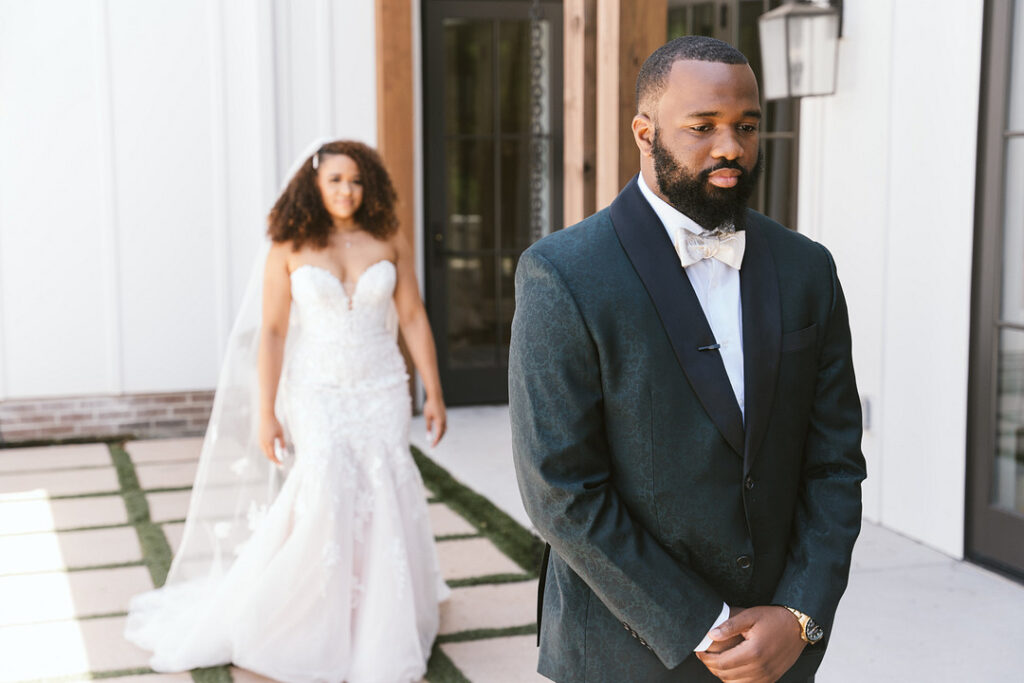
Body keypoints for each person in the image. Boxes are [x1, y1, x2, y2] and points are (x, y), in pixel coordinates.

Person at [509, 36, 866, 683]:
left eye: (747, 126)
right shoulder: (562, 274)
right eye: (703, 127)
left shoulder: (808, 269)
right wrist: (703, 627)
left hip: (779, 650)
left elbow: (835, 460)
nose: (731, 146)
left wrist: (801, 614)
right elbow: (560, 491)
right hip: (624, 650)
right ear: (644, 133)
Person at [125, 140, 449, 683]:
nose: (348, 190)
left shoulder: (389, 237)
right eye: (336, 180)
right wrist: (265, 412)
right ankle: (302, 622)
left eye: (357, 180)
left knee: (384, 487)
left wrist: (434, 392)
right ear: (314, 185)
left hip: (382, 386)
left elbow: (412, 315)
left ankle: (379, 623)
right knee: (325, 489)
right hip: (317, 389)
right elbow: (273, 333)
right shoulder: (289, 244)